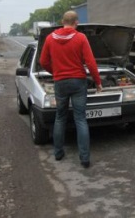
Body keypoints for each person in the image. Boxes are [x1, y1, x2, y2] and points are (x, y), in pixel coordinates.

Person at [40, 11, 102, 168]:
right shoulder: (81, 38)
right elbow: (91, 62)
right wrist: (98, 82)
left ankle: (58, 153)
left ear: (62, 21)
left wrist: (55, 72)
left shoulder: (49, 38)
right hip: (78, 82)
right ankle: (85, 158)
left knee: (60, 117)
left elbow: (43, 61)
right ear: (76, 23)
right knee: (80, 118)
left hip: (60, 82)